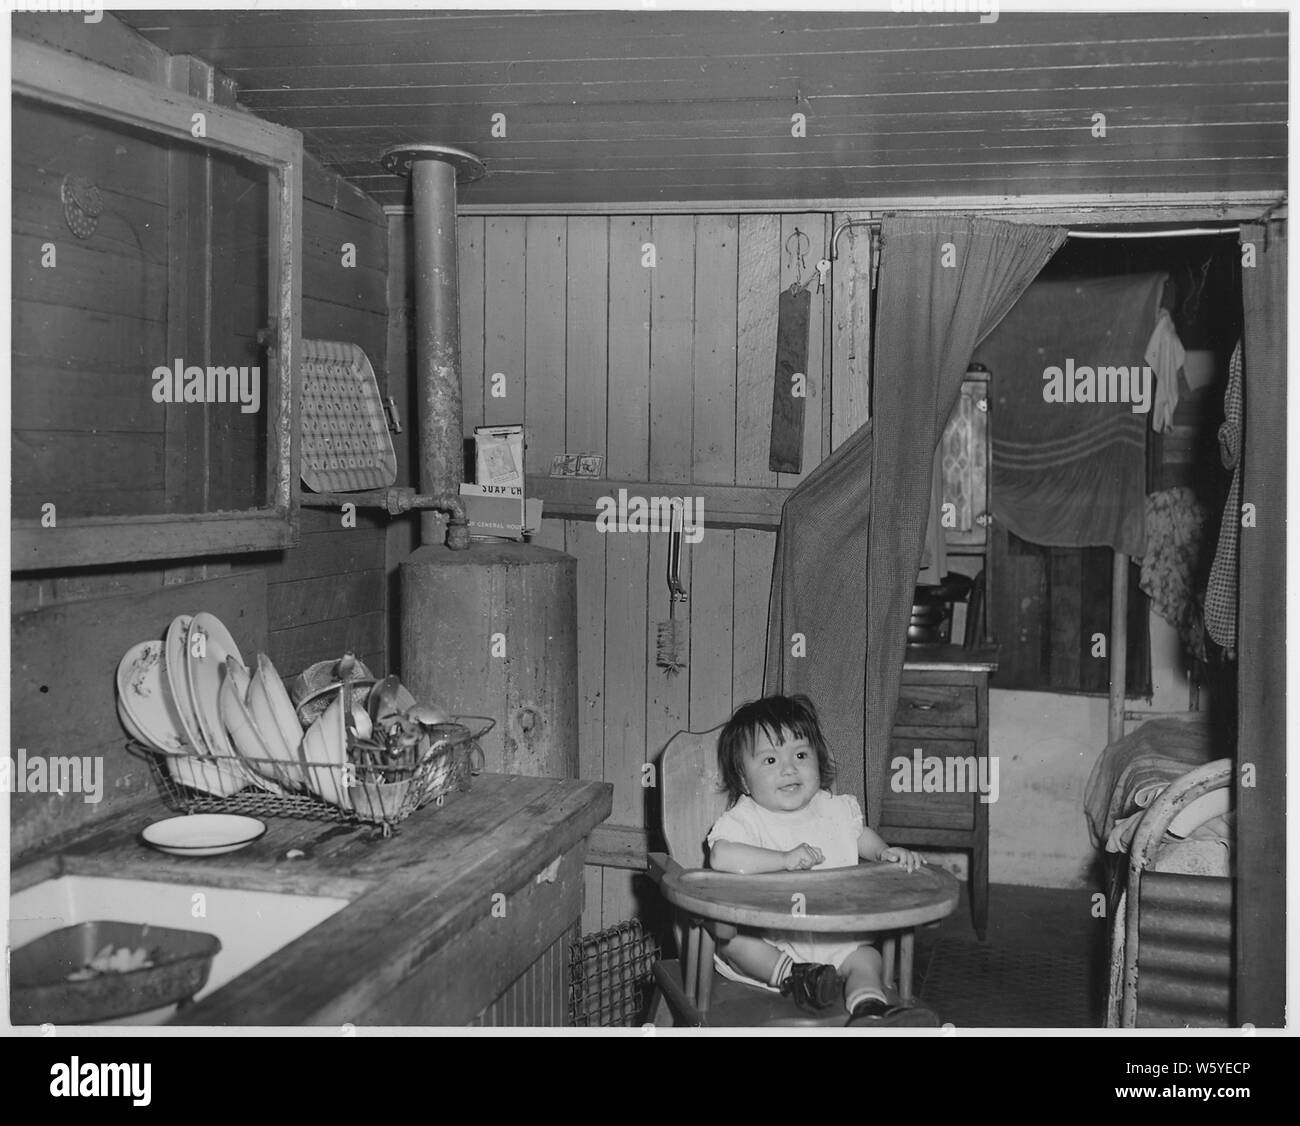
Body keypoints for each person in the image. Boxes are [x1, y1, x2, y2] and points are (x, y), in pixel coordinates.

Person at [707, 694, 937, 1026]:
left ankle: (869, 1009)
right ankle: (795, 976)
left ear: (818, 758)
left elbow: (860, 836)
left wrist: (885, 853)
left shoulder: (835, 809)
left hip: (834, 936)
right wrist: (782, 859)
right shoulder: (746, 819)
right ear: (743, 779)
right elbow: (721, 856)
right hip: (772, 939)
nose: (789, 768)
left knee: (867, 958)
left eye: (800, 754)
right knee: (733, 941)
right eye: (770, 761)